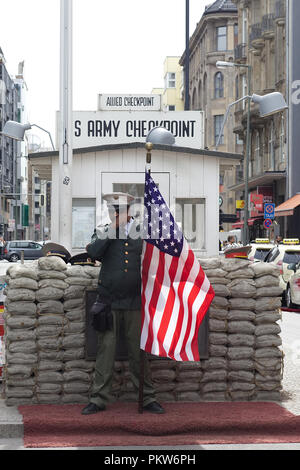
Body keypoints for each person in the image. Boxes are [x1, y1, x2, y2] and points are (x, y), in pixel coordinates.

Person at [81, 192, 165, 415]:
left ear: (130, 210)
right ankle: (98, 399)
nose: (116, 213)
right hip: (108, 301)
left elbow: (155, 259)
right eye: (113, 210)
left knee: (139, 353)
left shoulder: (143, 232)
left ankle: (147, 397)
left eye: (121, 209)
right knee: (105, 352)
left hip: (134, 301)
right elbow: (96, 252)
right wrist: (113, 227)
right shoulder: (102, 231)